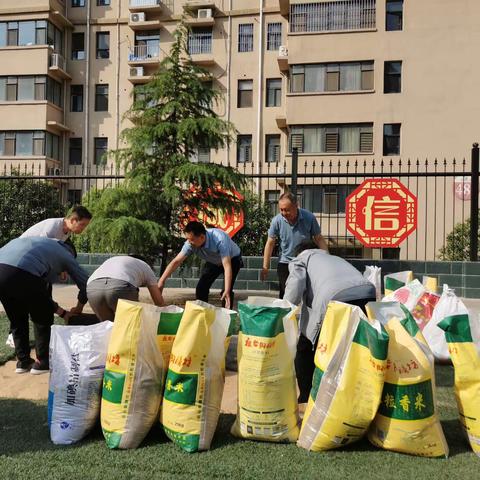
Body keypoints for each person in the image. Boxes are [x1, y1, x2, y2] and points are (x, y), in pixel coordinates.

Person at [283, 240, 376, 403]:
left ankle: (307, 397)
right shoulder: (334, 258)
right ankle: (352, 397)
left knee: (306, 347)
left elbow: (295, 287)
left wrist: (283, 310)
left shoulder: (302, 259)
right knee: (353, 345)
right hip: (367, 293)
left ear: (300, 252)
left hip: (334, 296)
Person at [0, 237, 89, 374]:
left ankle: (23, 362)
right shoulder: (66, 254)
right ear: (70, 252)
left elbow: (42, 296)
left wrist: (62, 313)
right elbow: (85, 284)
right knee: (42, 316)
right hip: (22, 272)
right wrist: (78, 308)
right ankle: (43, 362)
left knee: (17, 318)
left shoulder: (42, 246)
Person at [158, 221, 242, 309]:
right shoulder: (190, 244)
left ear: (202, 237)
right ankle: (202, 313)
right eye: (187, 239)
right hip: (213, 260)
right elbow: (176, 261)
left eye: (192, 240)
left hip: (232, 259)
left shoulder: (219, 239)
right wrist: (161, 281)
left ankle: (227, 316)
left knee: (226, 291)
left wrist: (227, 290)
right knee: (201, 287)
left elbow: (227, 266)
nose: (189, 242)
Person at [261, 192, 328, 298]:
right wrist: (265, 266)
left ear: (296, 206)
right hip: (285, 263)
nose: (284, 213)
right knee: (286, 294)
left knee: (307, 294)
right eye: (281, 209)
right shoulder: (277, 221)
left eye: (287, 209)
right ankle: (286, 314)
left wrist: (326, 258)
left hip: (305, 262)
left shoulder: (309, 218)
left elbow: (319, 238)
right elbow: (270, 243)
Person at [87, 255, 165, 321]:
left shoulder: (112, 260)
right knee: (129, 326)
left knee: (108, 329)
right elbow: (158, 301)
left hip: (92, 288)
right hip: (120, 286)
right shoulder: (145, 265)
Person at [21, 205, 92, 240]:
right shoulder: (53, 225)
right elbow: (42, 247)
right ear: (73, 220)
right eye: (82, 225)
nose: (84, 228)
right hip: (20, 251)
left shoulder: (67, 232)